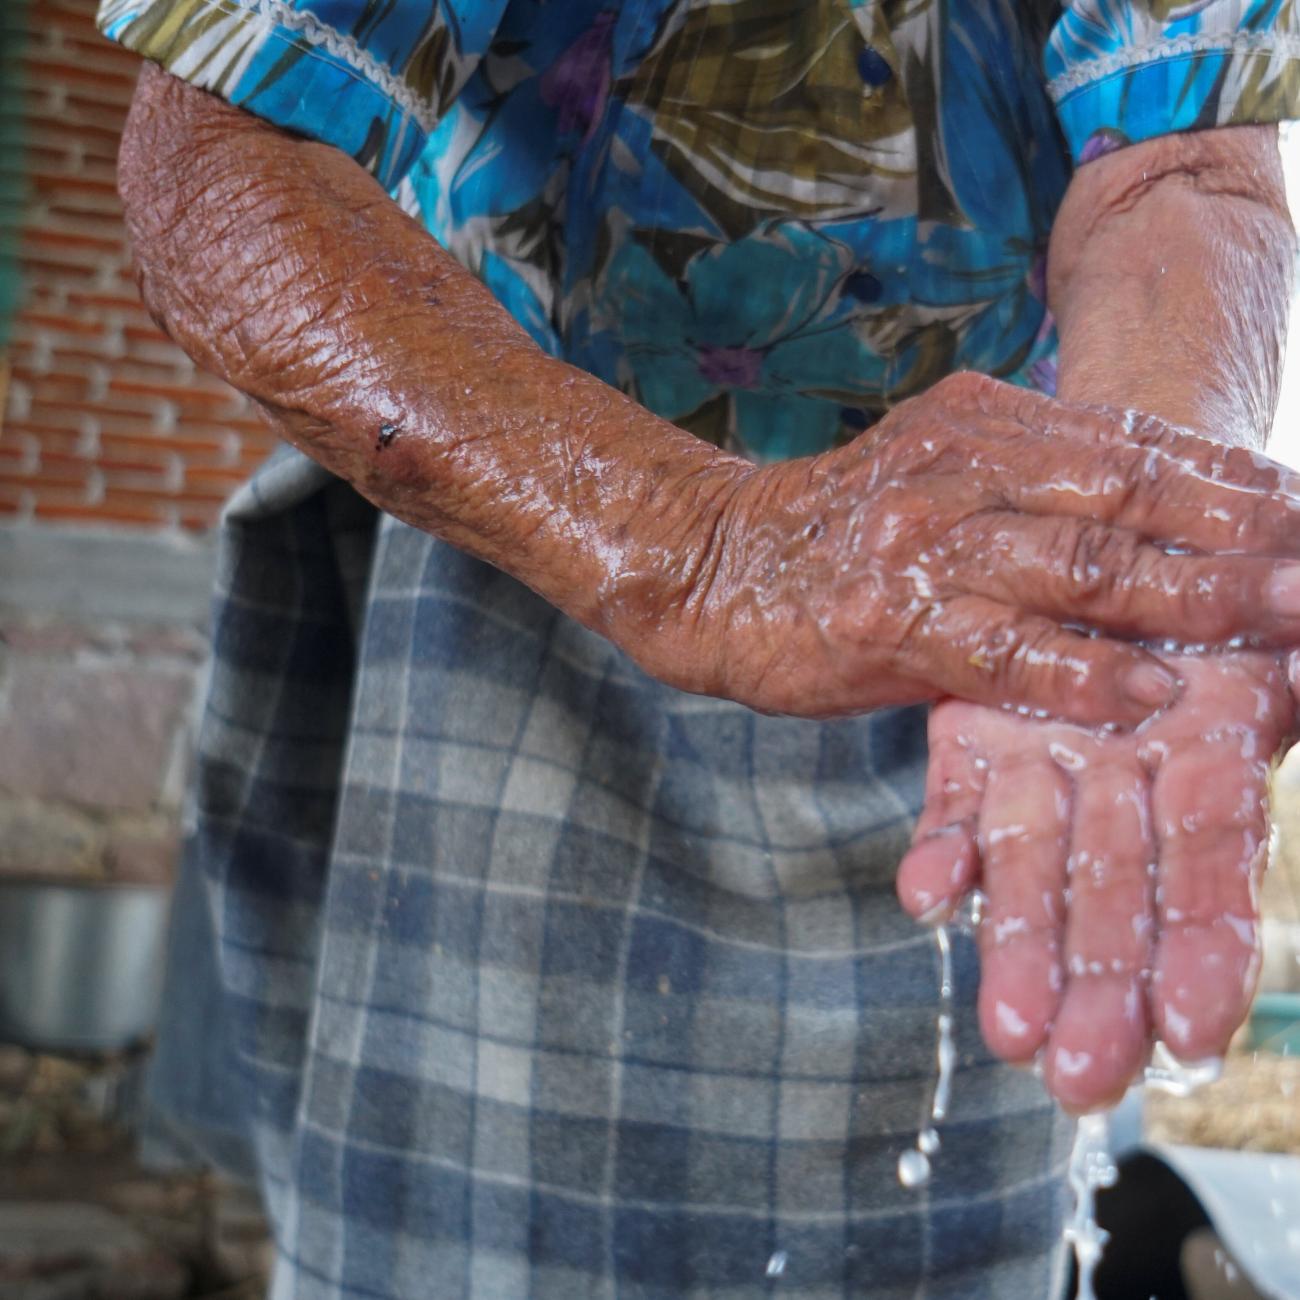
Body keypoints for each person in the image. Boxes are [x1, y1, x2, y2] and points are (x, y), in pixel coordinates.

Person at [97, 0, 1300, 1294]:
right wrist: (706, 550)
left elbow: (1176, 163)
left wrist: (1134, 543)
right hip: (526, 505)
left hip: (977, 607)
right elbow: (218, 149)